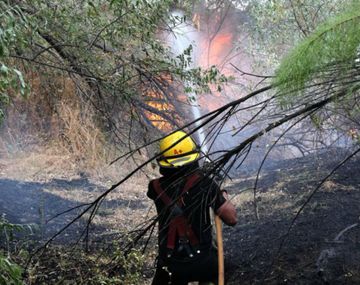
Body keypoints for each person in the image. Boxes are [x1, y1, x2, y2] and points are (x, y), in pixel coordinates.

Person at [147, 131, 237, 285]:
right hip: (202, 261)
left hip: (169, 264)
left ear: (163, 160)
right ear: (194, 157)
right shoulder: (205, 184)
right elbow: (231, 219)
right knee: (227, 268)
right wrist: (221, 194)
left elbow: (176, 185)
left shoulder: (154, 187)